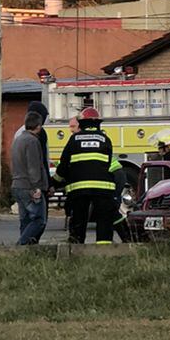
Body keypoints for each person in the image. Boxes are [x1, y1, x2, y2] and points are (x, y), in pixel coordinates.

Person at [57, 105, 116, 245]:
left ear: (81, 123)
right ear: (98, 123)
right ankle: (104, 251)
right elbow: (107, 164)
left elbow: (64, 165)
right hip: (102, 188)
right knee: (104, 220)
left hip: (79, 189)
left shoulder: (74, 139)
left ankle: (76, 249)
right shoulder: (105, 139)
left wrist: (55, 182)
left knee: (79, 219)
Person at [11, 109, 49, 246]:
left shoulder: (18, 140)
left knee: (25, 220)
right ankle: (20, 245)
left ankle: (24, 252)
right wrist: (37, 187)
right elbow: (34, 166)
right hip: (29, 187)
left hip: (17, 185)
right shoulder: (32, 141)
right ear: (38, 126)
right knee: (39, 220)